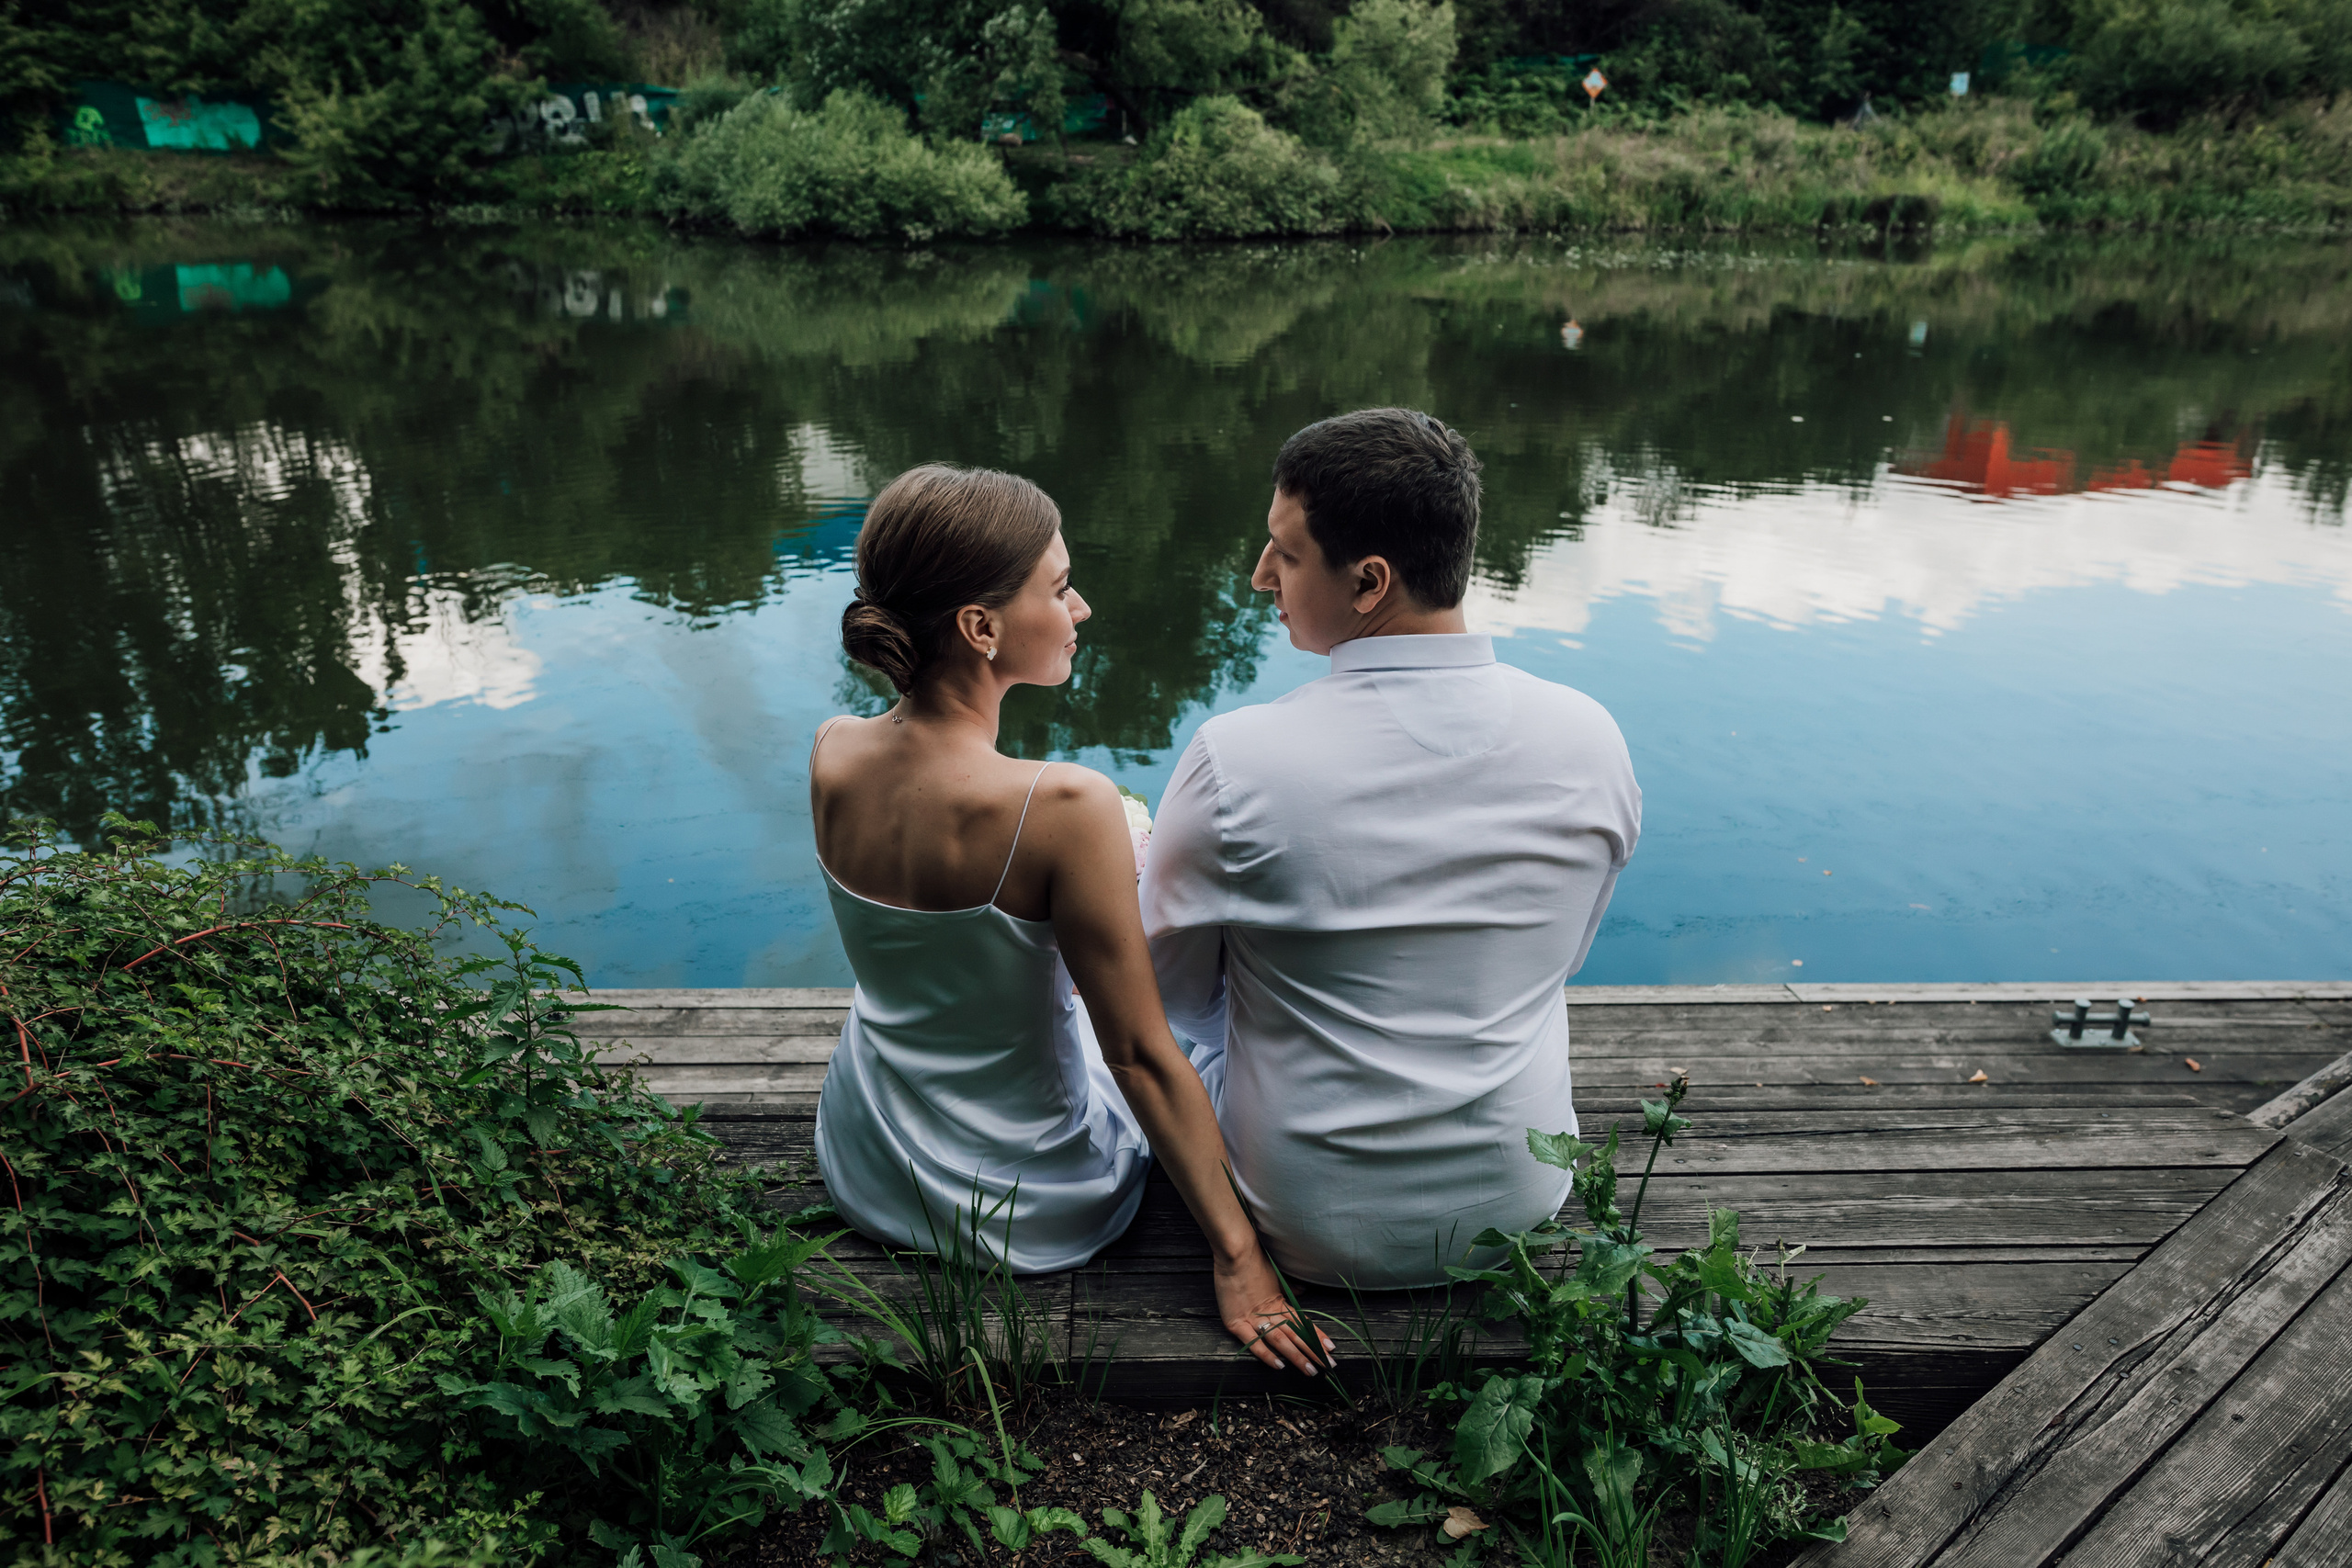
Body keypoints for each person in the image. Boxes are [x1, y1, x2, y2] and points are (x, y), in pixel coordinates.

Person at [809, 463, 1329, 1374]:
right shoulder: (1061, 805)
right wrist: (1241, 1258)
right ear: (980, 627)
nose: (1080, 607)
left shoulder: (832, 751)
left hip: (870, 1156)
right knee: (1205, 1029)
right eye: (1057, 587)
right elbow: (1136, 1056)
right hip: (1024, 1196)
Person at [1142, 409, 1642, 1290]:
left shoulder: (1239, 760)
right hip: (1519, 1202)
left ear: (1370, 582)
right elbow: (1556, 961)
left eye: (1287, 555)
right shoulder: (1591, 737)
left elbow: (1174, 999)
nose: (1262, 576)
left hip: (1305, 1221)